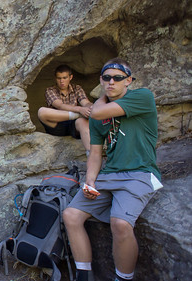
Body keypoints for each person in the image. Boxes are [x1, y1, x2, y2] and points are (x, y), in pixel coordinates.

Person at [62, 58, 163, 281]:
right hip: (110, 175)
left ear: (128, 81)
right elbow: (96, 153)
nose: (111, 82)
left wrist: (99, 99)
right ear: (100, 79)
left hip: (139, 173)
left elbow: (97, 112)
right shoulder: (99, 115)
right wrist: (89, 181)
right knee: (71, 215)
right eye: (106, 78)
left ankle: (123, 278)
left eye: (117, 78)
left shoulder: (142, 96)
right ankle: (84, 275)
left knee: (120, 223)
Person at [37, 65, 93, 154]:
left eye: (64, 78)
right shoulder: (50, 90)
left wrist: (91, 107)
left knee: (82, 122)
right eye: (59, 78)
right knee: (42, 112)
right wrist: (80, 110)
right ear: (55, 78)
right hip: (57, 124)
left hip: (73, 124)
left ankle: (91, 155)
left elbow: (85, 102)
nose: (61, 81)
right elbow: (60, 106)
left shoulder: (77, 88)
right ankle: (77, 115)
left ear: (70, 77)